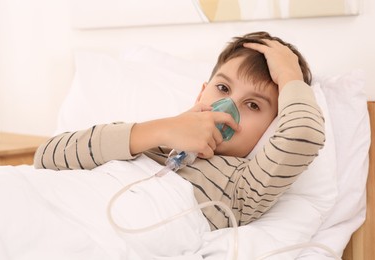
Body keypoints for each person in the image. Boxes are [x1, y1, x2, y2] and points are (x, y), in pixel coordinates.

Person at [34, 31, 325, 230]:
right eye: (222, 88)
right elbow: (47, 157)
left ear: (272, 127)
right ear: (201, 95)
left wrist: (289, 76)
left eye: (252, 105)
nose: (227, 108)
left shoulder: (244, 187)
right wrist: (159, 131)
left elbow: (304, 134)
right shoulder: (151, 140)